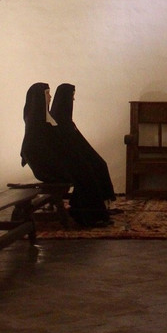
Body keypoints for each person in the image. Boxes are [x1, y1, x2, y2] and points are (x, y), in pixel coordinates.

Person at [19, 82, 109, 227]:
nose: (50, 96)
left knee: (85, 170)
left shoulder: (47, 119)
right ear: (39, 97)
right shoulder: (36, 122)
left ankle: (91, 214)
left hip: (54, 164)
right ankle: (86, 216)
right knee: (83, 174)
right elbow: (32, 151)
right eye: (47, 93)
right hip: (46, 169)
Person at [50, 83, 116, 203]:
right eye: (72, 96)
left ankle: (101, 202)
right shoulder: (57, 120)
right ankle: (92, 205)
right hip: (68, 160)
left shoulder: (65, 119)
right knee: (90, 170)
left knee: (100, 164)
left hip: (76, 156)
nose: (73, 99)